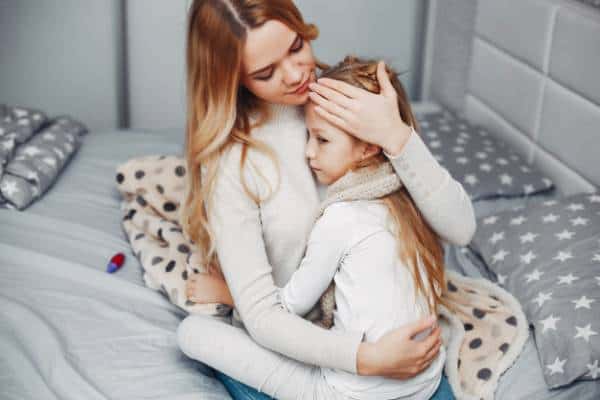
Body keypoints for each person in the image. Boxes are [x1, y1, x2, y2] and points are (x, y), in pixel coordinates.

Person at [177, 0, 475, 399]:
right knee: (194, 334)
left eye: (297, 46)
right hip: (308, 341)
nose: (297, 74)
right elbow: (264, 316)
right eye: (266, 72)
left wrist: (396, 135)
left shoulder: (349, 100)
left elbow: (461, 229)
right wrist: (367, 359)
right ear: (231, 79)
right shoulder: (234, 163)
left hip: (382, 339)